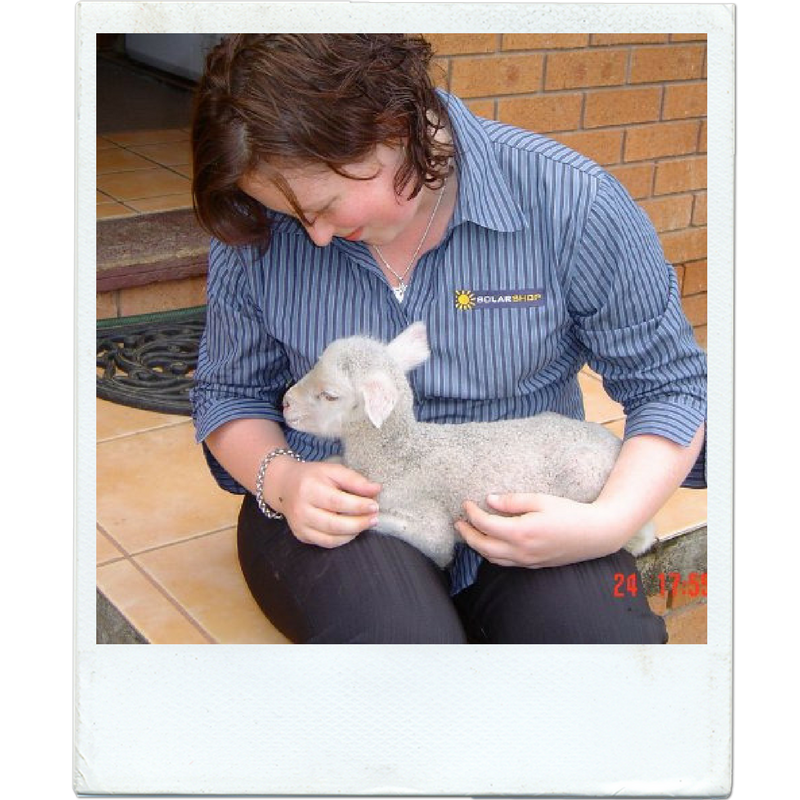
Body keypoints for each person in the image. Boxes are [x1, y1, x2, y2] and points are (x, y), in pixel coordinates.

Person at [190, 34, 707, 644]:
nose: (317, 237)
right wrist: (281, 480)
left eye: (326, 205)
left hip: (527, 496)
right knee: (402, 649)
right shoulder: (259, 232)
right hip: (344, 506)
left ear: (392, 122)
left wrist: (607, 522)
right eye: (294, 216)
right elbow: (228, 394)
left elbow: (670, 387)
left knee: (599, 652)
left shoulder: (571, 201)